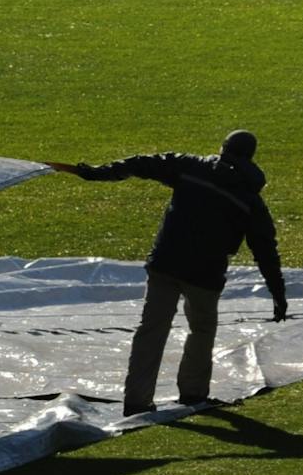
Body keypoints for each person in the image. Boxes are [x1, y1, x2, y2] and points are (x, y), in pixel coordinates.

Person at [39, 131, 288, 417]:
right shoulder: (250, 200)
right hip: (205, 275)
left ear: (222, 149)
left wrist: (94, 173)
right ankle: (193, 394)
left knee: (151, 331)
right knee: (202, 331)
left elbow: (143, 163)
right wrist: (278, 294)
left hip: (166, 264)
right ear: (250, 157)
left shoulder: (191, 167)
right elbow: (265, 251)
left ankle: (137, 400)